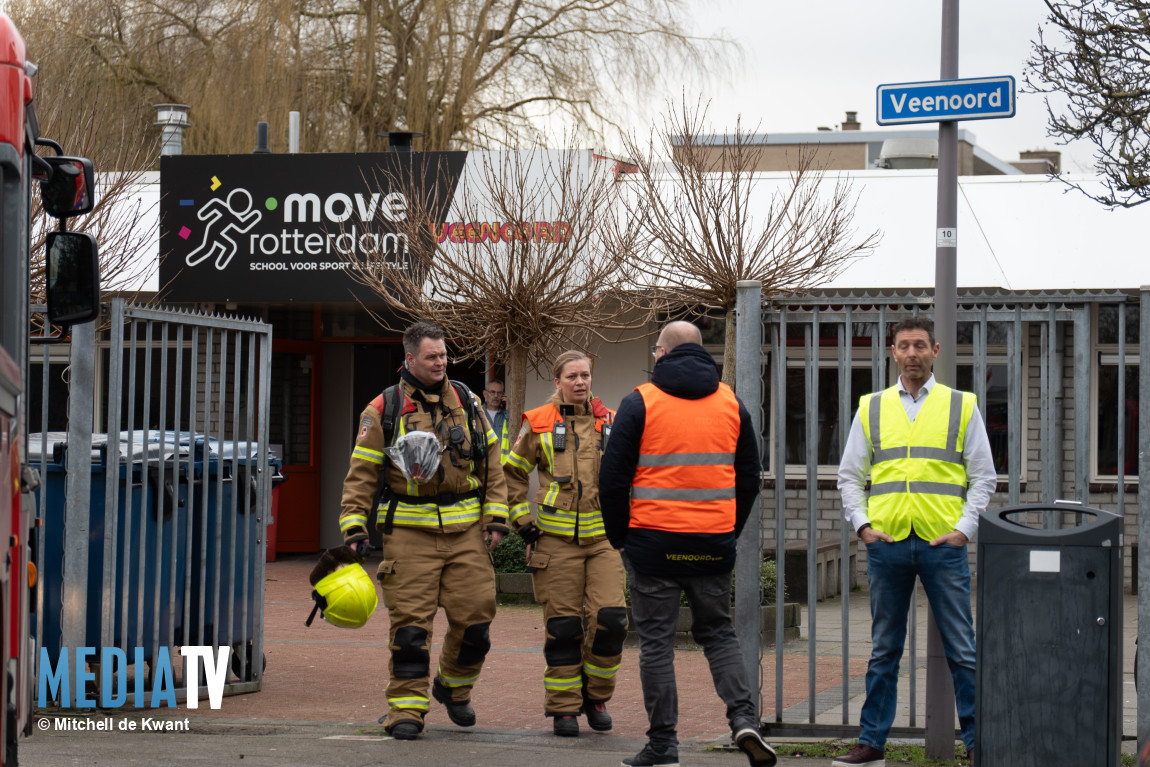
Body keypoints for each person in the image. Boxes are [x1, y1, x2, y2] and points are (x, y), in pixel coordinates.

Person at [599, 321, 777, 767]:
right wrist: (726, 529)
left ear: (662, 352)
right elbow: (749, 477)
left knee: (657, 644)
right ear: (701, 352)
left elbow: (613, 479)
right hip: (711, 544)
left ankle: (663, 745)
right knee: (719, 634)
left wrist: (621, 536)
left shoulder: (640, 401)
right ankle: (743, 719)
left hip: (652, 544)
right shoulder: (731, 403)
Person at [833, 317, 996, 767]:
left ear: (935, 350)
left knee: (962, 648)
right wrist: (863, 526)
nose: (911, 353)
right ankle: (872, 742)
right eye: (904, 346)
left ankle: (981, 744)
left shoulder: (961, 405)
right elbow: (849, 475)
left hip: (943, 545)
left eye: (920, 345)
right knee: (885, 648)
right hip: (886, 544)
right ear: (893, 352)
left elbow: (984, 476)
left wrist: (964, 529)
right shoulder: (872, 406)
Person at [338, 320, 510, 741]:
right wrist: (354, 525)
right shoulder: (383, 409)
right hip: (409, 537)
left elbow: (492, 464)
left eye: (444, 355)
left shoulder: (467, 401)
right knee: (411, 631)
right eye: (432, 356)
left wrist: (497, 517)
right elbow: (362, 472)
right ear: (410, 358)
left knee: (476, 625)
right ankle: (406, 710)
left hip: (467, 535)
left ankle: (453, 687)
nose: (441, 362)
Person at [503, 350, 627, 737]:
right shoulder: (537, 423)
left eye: (585, 375)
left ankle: (596, 697)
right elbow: (512, 477)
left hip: (604, 541)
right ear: (556, 381)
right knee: (564, 627)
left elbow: (634, 476)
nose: (580, 382)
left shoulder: (612, 422)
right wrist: (523, 525)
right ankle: (564, 709)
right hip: (555, 544)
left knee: (611, 620)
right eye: (572, 376)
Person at [482, 379, 511, 463]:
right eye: (492, 392)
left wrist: (508, 409)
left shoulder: (507, 415)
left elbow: (515, 434)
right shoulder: (478, 414)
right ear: (485, 394)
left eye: (499, 393)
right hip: (484, 466)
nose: (496, 396)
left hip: (503, 467)